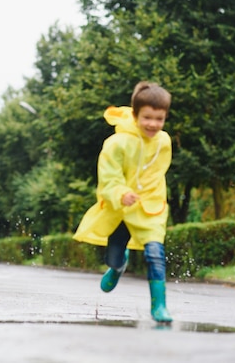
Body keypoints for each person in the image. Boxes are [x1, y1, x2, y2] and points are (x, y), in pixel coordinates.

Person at [73, 81, 173, 323]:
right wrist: (120, 193)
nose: (153, 124)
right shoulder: (116, 143)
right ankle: (118, 267)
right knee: (114, 256)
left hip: (150, 207)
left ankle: (159, 306)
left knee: (155, 254)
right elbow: (108, 175)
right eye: (147, 117)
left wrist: (145, 197)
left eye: (159, 119)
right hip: (121, 207)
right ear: (135, 114)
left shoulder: (164, 142)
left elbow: (156, 174)